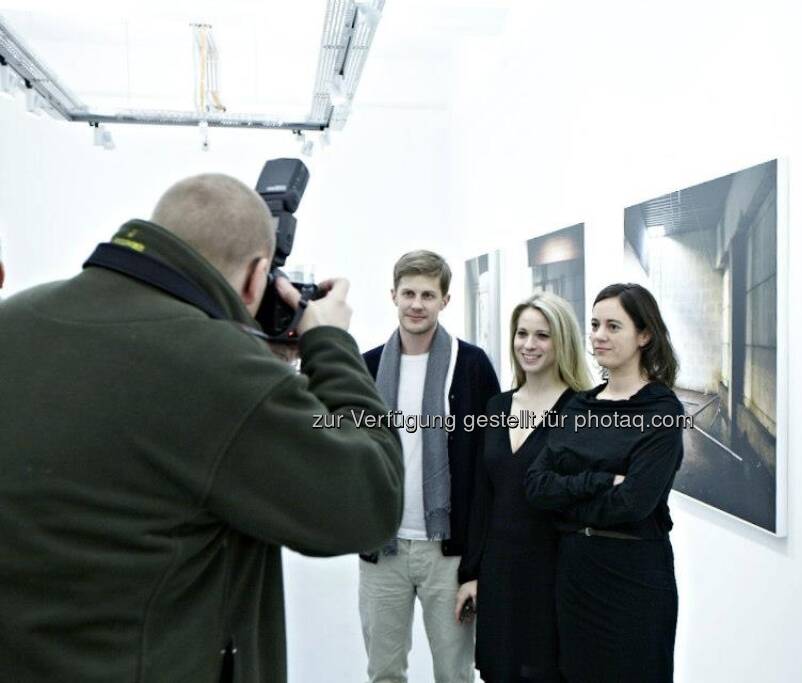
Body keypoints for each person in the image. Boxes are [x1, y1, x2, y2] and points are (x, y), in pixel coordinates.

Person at [0, 174, 404, 683]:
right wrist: (329, 342)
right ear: (258, 278)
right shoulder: (217, 368)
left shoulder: (15, 317)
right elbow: (371, 500)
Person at [524, 283, 685, 683]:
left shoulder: (662, 410)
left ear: (644, 335)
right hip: (576, 575)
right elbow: (536, 486)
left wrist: (568, 499)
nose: (598, 335)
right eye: (595, 324)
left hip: (634, 578)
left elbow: (632, 504)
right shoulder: (580, 404)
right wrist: (601, 480)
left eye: (613, 326)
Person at [359, 250, 501, 683]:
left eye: (427, 294)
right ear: (393, 296)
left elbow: (489, 465)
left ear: (445, 300)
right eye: (408, 293)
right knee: (384, 672)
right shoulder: (365, 366)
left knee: (454, 674)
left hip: (448, 554)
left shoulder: (472, 365)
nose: (416, 304)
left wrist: (478, 563)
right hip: (384, 549)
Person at [455, 292, 592, 683]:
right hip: (499, 573)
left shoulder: (581, 410)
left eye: (542, 336)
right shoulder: (496, 407)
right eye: (522, 334)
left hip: (554, 574)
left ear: (561, 341)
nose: (528, 345)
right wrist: (471, 573)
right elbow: (484, 499)